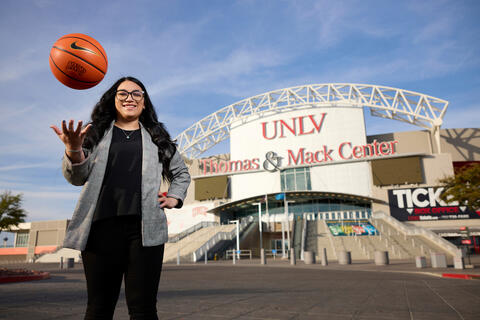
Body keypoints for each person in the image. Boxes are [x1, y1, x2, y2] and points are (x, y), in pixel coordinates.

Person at [50, 76, 191, 319]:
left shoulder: (157, 139)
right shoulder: (96, 133)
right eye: (123, 93)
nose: (130, 98)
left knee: (144, 308)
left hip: (145, 232)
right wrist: (73, 149)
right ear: (113, 100)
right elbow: (76, 178)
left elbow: (181, 173)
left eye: (137, 93)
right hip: (100, 228)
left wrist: (174, 198)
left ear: (144, 103)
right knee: (99, 307)